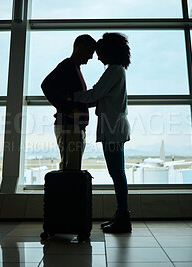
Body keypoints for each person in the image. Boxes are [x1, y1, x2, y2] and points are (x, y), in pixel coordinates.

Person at [72, 32, 132, 233]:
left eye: (100, 53)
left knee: (117, 174)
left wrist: (71, 97)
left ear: (109, 52)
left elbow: (96, 93)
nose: (97, 57)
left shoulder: (113, 71)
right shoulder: (118, 70)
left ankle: (123, 217)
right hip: (115, 128)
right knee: (118, 174)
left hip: (113, 129)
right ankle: (121, 215)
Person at [41, 34, 96, 170]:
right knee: (70, 170)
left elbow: (75, 99)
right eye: (90, 51)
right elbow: (46, 85)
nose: (91, 57)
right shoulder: (67, 66)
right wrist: (67, 110)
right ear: (80, 47)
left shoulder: (75, 69)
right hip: (68, 126)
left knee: (71, 169)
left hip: (74, 127)